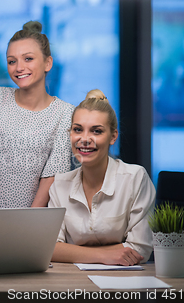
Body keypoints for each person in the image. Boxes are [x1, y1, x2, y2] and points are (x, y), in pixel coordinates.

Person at [0, 21, 74, 208]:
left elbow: (52, 176)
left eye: (28, 59)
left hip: (32, 218)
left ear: (48, 63)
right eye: (12, 61)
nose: (18, 68)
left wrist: (27, 223)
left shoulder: (66, 112)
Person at [49, 89, 156, 265]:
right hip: (71, 282)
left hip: (124, 285)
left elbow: (140, 249)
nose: (84, 139)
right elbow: (51, 248)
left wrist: (71, 252)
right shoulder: (59, 185)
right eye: (78, 130)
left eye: (96, 131)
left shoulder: (135, 178)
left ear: (113, 136)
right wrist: (105, 256)